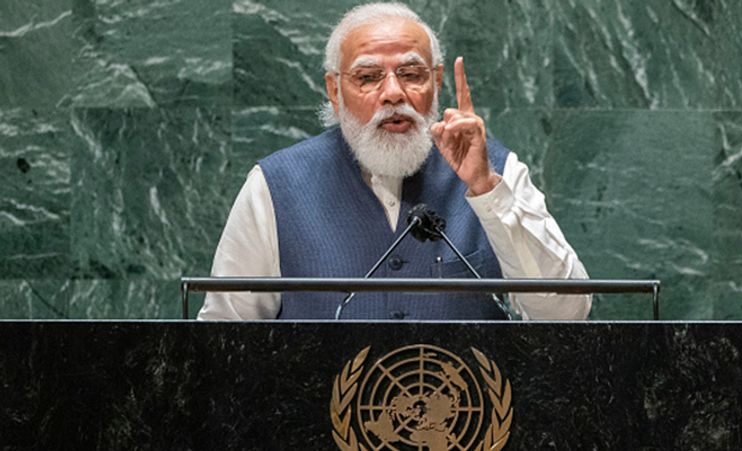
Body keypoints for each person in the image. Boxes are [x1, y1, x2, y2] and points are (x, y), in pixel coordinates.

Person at [198, 2, 591, 320]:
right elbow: (223, 339)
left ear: (436, 82)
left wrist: (487, 191)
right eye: (368, 77)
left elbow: (566, 312)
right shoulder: (275, 185)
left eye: (411, 73)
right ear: (335, 91)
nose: (393, 93)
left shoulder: (497, 171)